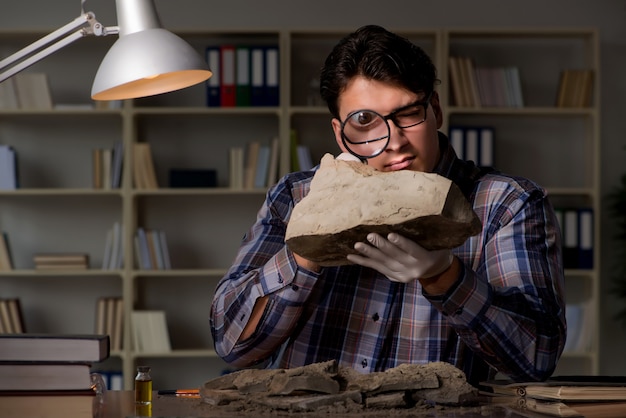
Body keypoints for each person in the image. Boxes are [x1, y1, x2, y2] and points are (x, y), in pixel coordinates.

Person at [210, 24, 566, 386]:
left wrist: (445, 278)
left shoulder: (506, 204)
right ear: (340, 134)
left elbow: (536, 358)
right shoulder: (295, 195)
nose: (393, 141)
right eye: (364, 121)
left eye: (409, 113)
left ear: (436, 110)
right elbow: (232, 345)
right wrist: (308, 245)